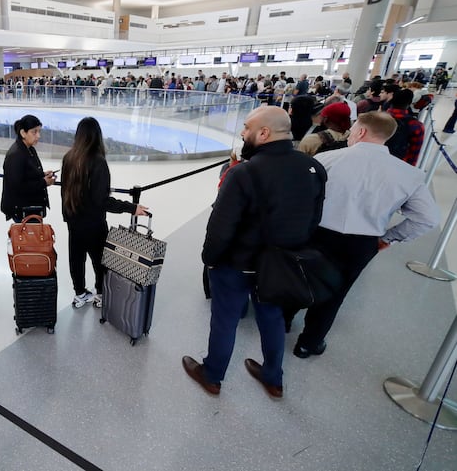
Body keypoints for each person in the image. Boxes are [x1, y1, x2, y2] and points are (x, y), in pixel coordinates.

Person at [182, 106, 326, 399]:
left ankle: (212, 375)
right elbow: (313, 220)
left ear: (264, 133)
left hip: (237, 265)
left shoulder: (243, 173)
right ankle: (274, 378)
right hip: (280, 265)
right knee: (271, 317)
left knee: (225, 320)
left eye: (247, 127)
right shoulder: (313, 168)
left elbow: (220, 228)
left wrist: (210, 260)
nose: (242, 132)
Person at [289, 112, 439, 358]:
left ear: (361, 132)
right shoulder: (408, 174)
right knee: (336, 292)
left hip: (317, 234)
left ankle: (284, 320)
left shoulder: (327, 159)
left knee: (300, 277)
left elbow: (300, 196)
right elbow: (428, 218)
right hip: (361, 243)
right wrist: (389, 237)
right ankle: (308, 343)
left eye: (353, 128)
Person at [60, 117, 147, 309]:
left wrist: (68, 217)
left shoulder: (69, 158)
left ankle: (80, 293)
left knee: (76, 259)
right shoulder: (98, 162)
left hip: (74, 221)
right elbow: (102, 200)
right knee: (100, 259)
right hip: (93, 223)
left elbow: (64, 191)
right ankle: (100, 293)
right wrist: (132, 208)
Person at [0, 114, 55, 222]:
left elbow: (27, 174)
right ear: (23, 133)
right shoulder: (15, 155)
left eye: (39, 131)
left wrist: (42, 174)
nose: (38, 136)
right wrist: (43, 182)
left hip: (32, 209)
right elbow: (17, 187)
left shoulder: (29, 149)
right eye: (34, 132)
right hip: (23, 211)